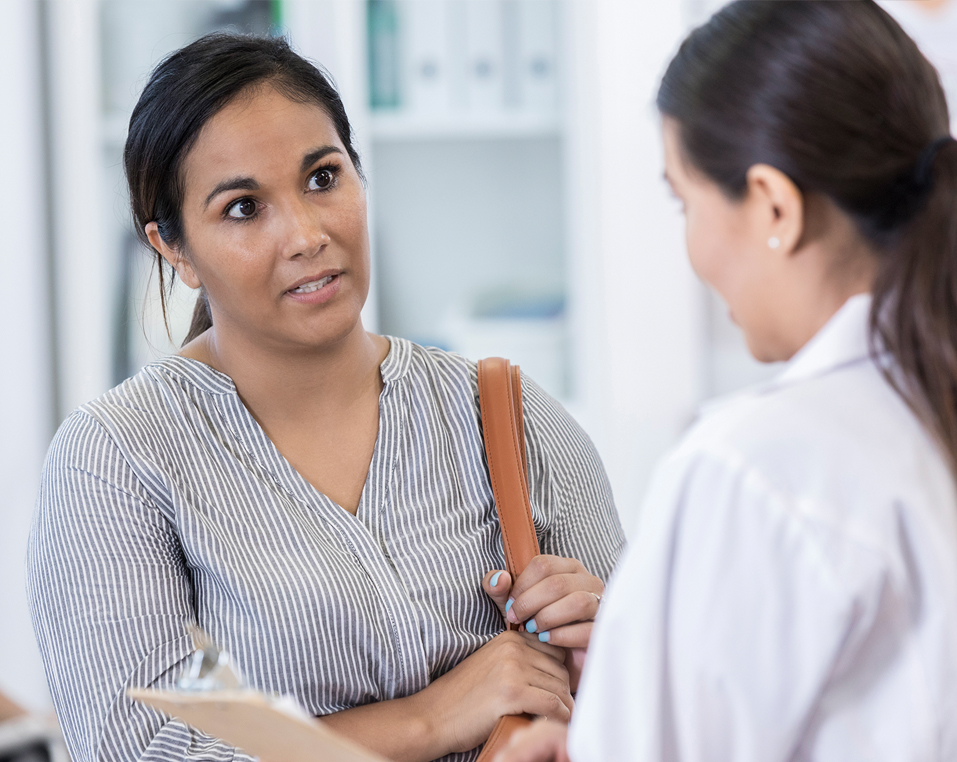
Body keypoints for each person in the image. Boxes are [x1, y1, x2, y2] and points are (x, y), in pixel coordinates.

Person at [25, 33, 624, 762]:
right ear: (173, 249)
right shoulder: (115, 464)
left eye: (322, 178)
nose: (307, 235)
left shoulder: (507, 413)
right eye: (244, 208)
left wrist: (606, 650)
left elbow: (660, 711)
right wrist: (432, 719)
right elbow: (144, 754)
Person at [498, 1, 957, 760]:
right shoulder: (953, 401)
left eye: (684, 200)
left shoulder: (752, 465)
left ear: (772, 206)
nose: (690, 246)